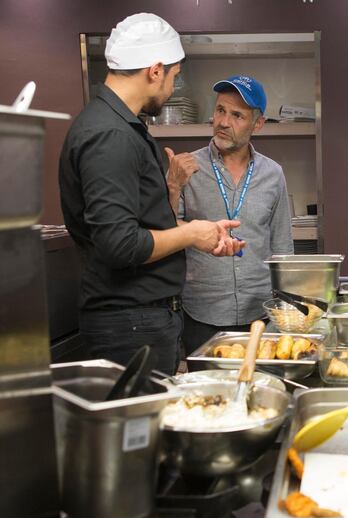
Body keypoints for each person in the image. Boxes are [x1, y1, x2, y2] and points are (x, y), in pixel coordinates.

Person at [59, 13, 244, 375]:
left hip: (140, 321)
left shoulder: (119, 127)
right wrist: (191, 233)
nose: (172, 88)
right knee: (139, 430)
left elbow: (138, 223)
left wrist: (199, 233)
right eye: (174, 76)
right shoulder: (110, 136)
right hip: (129, 324)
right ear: (155, 71)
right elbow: (120, 244)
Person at [171, 75, 294, 354]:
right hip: (201, 313)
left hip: (260, 315)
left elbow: (283, 248)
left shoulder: (273, 174)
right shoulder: (186, 167)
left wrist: (286, 310)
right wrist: (172, 186)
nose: (224, 122)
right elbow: (167, 231)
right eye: (220, 110)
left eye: (237, 115)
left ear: (257, 124)